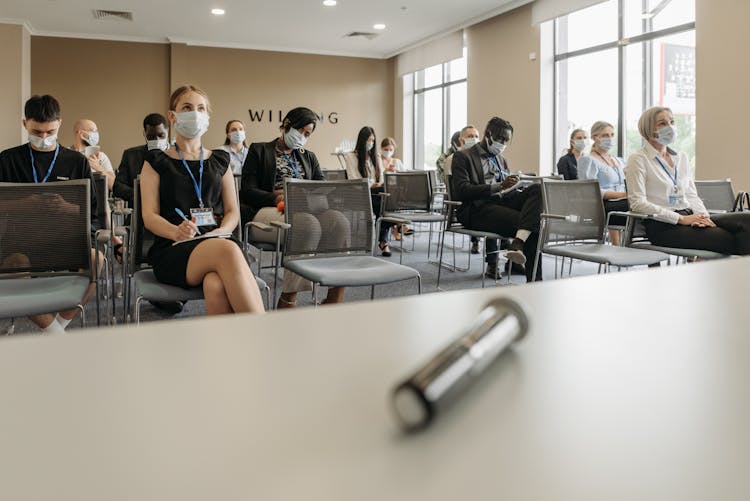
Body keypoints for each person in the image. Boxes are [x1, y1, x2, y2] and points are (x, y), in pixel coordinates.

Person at [140, 85, 265, 316]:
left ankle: (220, 349)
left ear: (207, 116)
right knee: (227, 252)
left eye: (200, 108)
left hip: (216, 240)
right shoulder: (155, 160)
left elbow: (232, 212)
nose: (194, 113)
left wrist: (220, 232)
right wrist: (176, 231)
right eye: (187, 107)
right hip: (174, 246)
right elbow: (149, 216)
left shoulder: (220, 159)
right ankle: (264, 338)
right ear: (172, 115)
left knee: (215, 284)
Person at [0, 94, 103, 332]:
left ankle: (58, 326)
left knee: (96, 259)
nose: (44, 138)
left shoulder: (76, 161)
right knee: (16, 264)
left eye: (50, 132)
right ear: (24, 123)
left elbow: (93, 211)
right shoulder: (8, 160)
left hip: (65, 240)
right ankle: (55, 334)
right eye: (37, 132)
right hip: (20, 241)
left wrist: (66, 207)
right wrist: (26, 204)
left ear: (60, 124)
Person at [240, 107, 348, 309]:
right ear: (287, 124)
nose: (303, 137)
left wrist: (307, 195)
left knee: (339, 222)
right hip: (270, 210)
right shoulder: (259, 150)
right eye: (301, 131)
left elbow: (321, 188)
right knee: (308, 225)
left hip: (305, 208)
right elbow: (247, 191)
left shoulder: (309, 157)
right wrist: (275, 196)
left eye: (307, 134)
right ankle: (288, 298)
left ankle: (335, 295)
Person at [625, 106, 750, 255]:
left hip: (690, 215)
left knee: (747, 221)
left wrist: (704, 217)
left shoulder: (681, 157)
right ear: (648, 129)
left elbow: (691, 195)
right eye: (662, 123)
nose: (670, 127)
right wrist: (681, 219)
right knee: (729, 238)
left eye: (672, 122)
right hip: (664, 225)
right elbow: (637, 203)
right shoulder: (638, 159)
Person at [451, 116, 543, 282]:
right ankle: (535, 282)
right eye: (500, 138)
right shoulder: (463, 157)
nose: (503, 143)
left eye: (506, 140)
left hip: (502, 201)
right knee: (532, 224)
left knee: (537, 189)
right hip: (477, 208)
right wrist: (498, 186)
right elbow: (461, 191)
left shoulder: (501, 159)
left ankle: (518, 243)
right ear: (488, 134)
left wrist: (515, 186)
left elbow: (506, 188)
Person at [343, 126, 394, 256]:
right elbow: (354, 179)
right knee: (385, 206)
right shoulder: (350, 156)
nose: (370, 143)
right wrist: (372, 185)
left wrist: (378, 184)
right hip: (360, 193)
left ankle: (382, 238)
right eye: (368, 140)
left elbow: (382, 177)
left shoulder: (376, 156)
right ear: (361, 140)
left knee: (387, 197)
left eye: (372, 140)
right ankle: (384, 240)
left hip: (376, 192)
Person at [578, 121, 628, 245]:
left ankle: (623, 246)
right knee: (633, 205)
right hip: (602, 206)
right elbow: (589, 191)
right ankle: (618, 246)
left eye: (612, 134)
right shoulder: (588, 160)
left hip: (622, 201)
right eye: (606, 135)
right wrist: (621, 195)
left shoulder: (618, 161)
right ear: (595, 138)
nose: (610, 138)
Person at [113, 113, 169, 208]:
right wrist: (142, 195)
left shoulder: (178, 155)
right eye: (151, 137)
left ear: (167, 131)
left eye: (161, 135)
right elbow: (118, 187)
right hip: (139, 211)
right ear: (145, 134)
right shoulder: (131, 155)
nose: (157, 140)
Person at [444, 125, 481, 254]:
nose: (474, 139)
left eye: (476, 136)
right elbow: (456, 187)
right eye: (470, 136)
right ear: (461, 140)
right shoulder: (454, 159)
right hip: (462, 201)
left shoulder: (481, 158)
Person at [71, 119, 115, 190]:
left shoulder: (101, 156)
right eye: (93, 130)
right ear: (81, 133)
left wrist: (98, 168)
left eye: (96, 131)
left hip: (99, 200)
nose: (96, 134)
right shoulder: (65, 154)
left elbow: (113, 186)